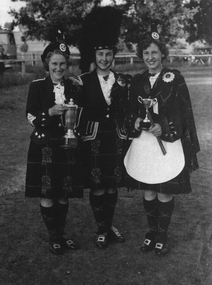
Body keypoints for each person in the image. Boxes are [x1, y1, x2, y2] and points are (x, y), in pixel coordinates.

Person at [124, 24, 200, 257]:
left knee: (164, 191)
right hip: (144, 144)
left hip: (168, 141)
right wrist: (136, 121)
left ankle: (162, 236)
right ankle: (151, 232)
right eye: (146, 53)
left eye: (154, 52)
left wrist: (164, 127)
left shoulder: (175, 78)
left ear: (162, 54)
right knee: (148, 191)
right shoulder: (137, 81)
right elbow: (129, 110)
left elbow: (184, 113)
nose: (150, 57)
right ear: (141, 56)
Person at [77, 6, 131, 249]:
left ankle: (109, 225)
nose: (104, 59)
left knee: (112, 184)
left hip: (116, 139)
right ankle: (101, 228)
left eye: (108, 54)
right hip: (93, 139)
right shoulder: (82, 82)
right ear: (94, 55)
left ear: (113, 55)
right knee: (98, 185)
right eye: (100, 55)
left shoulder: (122, 80)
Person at [25, 41, 84, 255]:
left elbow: (82, 114)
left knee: (63, 194)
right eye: (54, 64)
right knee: (48, 193)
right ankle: (54, 236)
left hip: (68, 146)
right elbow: (30, 116)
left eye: (63, 64)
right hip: (44, 147)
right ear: (46, 64)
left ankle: (61, 232)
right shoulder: (37, 86)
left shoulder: (74, 86)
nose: (59, 68)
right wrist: (49, 113)